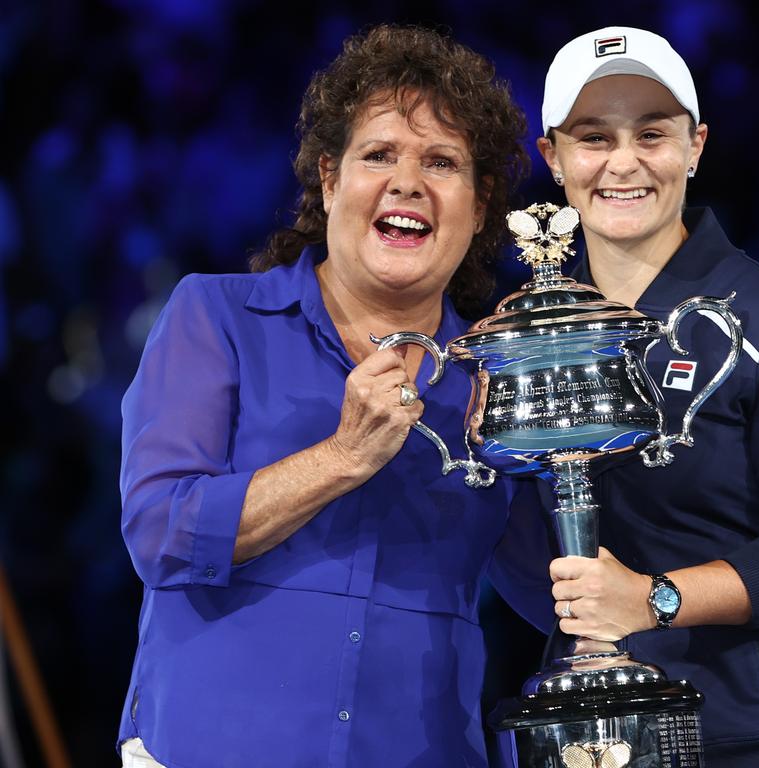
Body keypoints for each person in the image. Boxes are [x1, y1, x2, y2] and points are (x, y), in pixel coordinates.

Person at [116, 24, 553, 768]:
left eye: (441, 162)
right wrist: (342, 457)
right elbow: (160, 533)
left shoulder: (492, 375)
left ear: (480, 209)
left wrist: (532, 459)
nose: (407, 181)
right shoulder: (215, 316)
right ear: (328, 179)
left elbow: (547, 601)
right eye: (378, 154)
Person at [536, 27, 759, 765]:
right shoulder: (527, 338)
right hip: (587, 739)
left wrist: (652, 599)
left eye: (652, 134)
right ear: (553, 157)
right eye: (594, 137)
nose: (623, 162)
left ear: (695, 146)